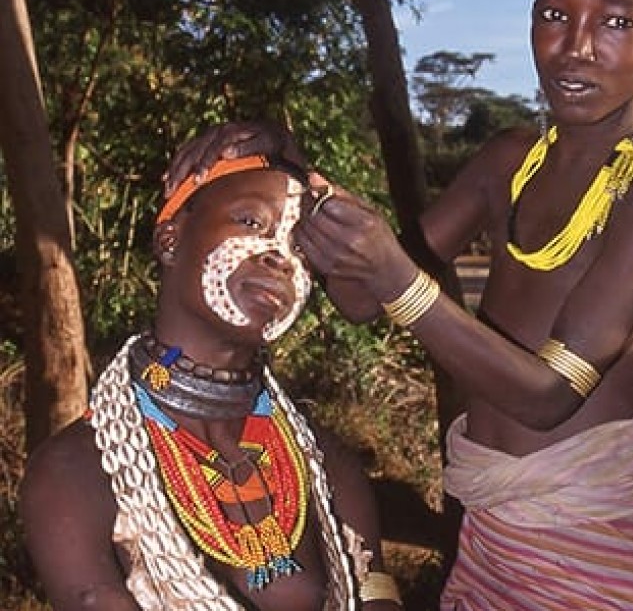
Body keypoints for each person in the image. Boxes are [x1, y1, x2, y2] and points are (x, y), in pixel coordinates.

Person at [171, 0, 633, 610]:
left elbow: (549, 396)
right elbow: (362, 297)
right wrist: (292, 173)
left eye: (617, 20)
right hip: (489, 539)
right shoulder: (507, 162)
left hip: (595, 550)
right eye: (555, 13)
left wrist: (397, 277)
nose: (576, 45)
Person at [20, 137, 403, 611]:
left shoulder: (325, 466)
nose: (278, 257)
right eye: (249, 222)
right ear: (170, 239)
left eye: (299, 248)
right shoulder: (73, 474)